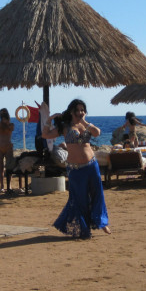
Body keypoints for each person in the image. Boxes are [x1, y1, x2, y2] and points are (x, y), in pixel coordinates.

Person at [42, 99, 110, 239]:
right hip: (75, 169)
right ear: (71, 112)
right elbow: (45, 135)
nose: (80, 112)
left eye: (82, 110)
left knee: (97, 194)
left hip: (91, 165)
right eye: (77, 110)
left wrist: (84, 122)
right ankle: (84, 229)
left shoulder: (86, 125)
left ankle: (101, 222)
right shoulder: (65, 127)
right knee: (79, 198)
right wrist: (49, 119)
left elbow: (97, 133)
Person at [0, 108, 14, 192]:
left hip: (8, 147)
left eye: (4, 114)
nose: (2, 116)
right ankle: (2, 186)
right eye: (1, 114)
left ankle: (9, 185)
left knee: (9, 167)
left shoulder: (11, 124)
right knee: (0, 167)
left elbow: (11, 129)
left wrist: (6, 123)